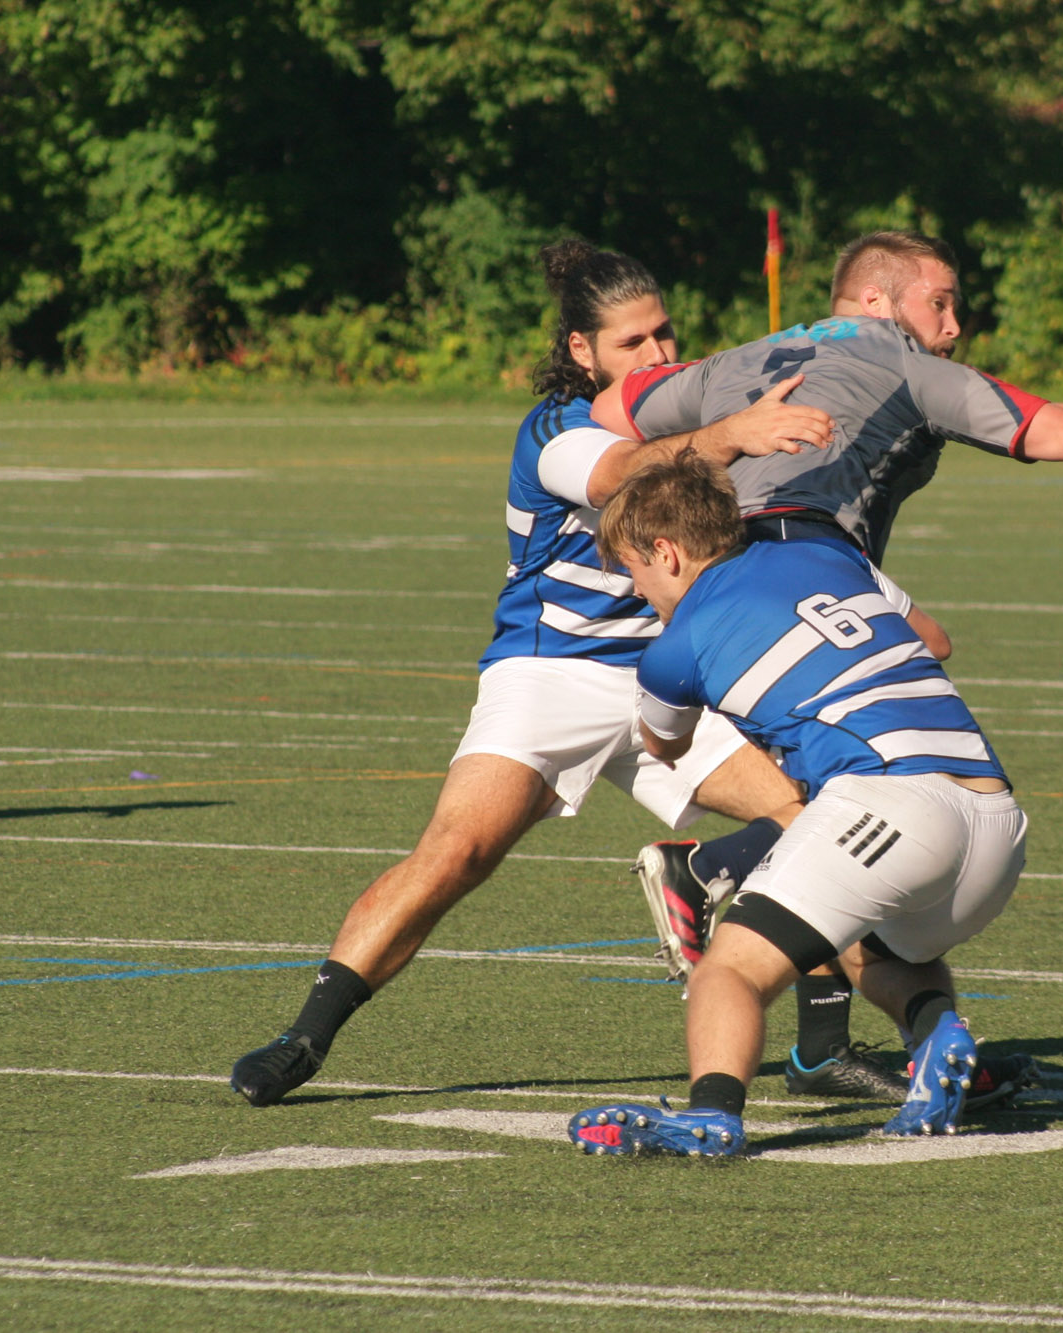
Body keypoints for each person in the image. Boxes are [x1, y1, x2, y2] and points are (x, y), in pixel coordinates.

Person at [227, 238, 837, 1107]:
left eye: (664, 335)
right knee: (456, 853)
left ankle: (820, 1042)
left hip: (670, 674)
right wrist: (730, 436)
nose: (659, 357)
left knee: (816, 817)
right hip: (552, 673)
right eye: (632, 345)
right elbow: (622, 471)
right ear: (583, 353)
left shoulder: (697, 402)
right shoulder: (558, 428)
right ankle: (303, 1037)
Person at [609, 230, 1063, 1103]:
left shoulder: (734, 360)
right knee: (868, 739)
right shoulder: (904, 362)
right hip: (814, 563)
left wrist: (717, 437)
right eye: (941, 301)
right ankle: (796, 988)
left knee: (837, 785)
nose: (954, 325)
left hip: (745, 566)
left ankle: (725, 895)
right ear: (879, 303)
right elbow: (1051, 427)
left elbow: (612, 415)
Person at [569, 452, 1027, 1156]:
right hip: (997, 823)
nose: (635, 588)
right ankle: (938, 1029)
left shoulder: (675, 646)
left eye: (633, 567)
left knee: (731, 969)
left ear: (667, 551)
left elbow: (663, 743)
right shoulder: (825, 551)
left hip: (888, 802)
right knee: (867, 938)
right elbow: (934, 640)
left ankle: (713, 1112)